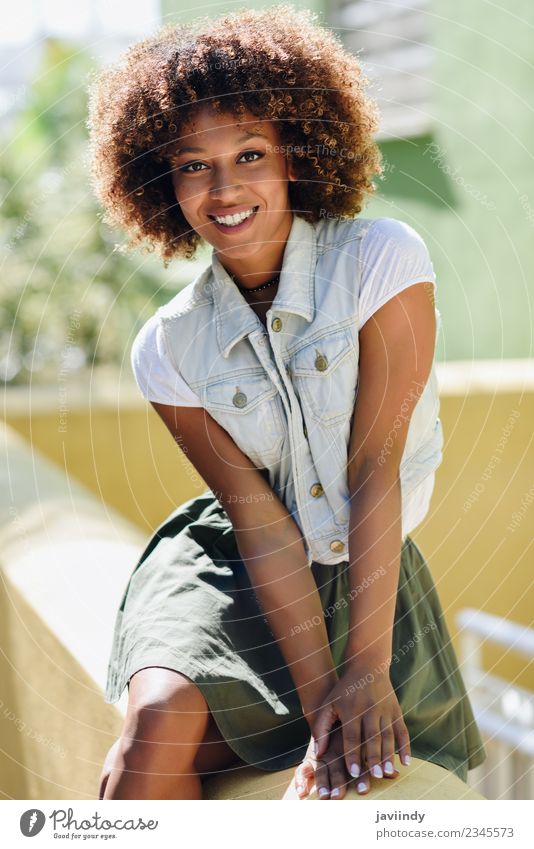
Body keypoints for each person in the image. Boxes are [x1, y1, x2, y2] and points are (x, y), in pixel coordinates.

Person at [87, 3, 486, 800]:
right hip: (227, 561)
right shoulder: (166, 348)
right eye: (193, 164)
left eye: (250, 153)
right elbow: (258, 522)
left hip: (358, 557)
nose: (225, 187)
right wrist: (321, 709)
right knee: (155, 729)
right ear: (160, 180)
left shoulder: (382, 262)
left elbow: (376, 465)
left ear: (298, 153)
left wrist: (363, 672)